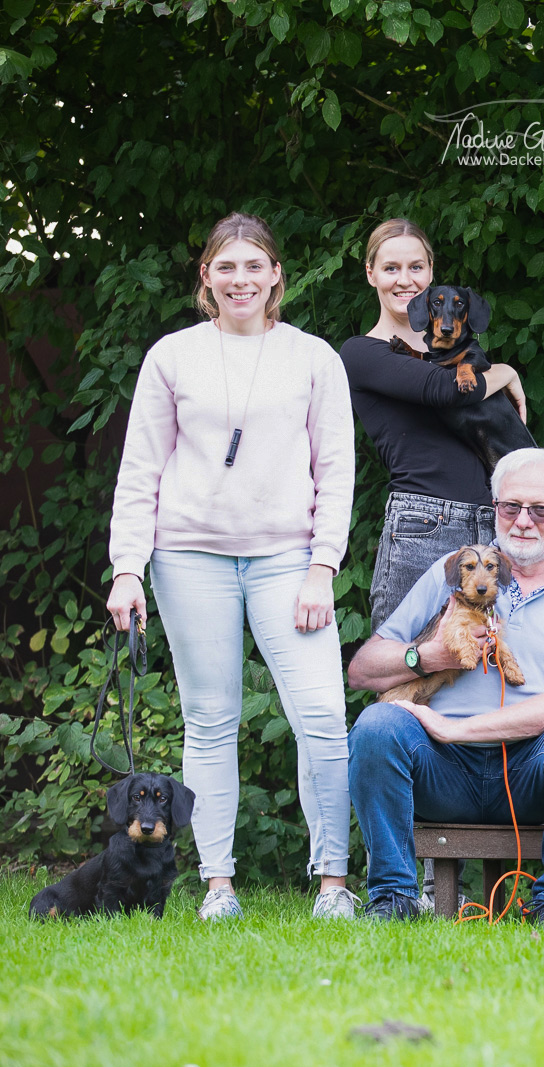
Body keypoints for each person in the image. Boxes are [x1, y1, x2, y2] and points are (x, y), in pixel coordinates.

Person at [106, 213, 357, 922]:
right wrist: (129, 567)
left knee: (320, 717)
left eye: (254, 266)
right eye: (226, 267)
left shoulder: (313, 358)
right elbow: (141, 468)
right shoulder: (172, 356)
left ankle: (332, 881)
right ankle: (218, 884)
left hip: (289, 559)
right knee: (210, 719)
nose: (240, 279)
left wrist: (322, 566)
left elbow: (336, 470)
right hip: (190, 557)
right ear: (206, 278)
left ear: (277, 275)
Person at [346, 448, 544, 925]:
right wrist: (426, 656)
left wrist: (456, 729)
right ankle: (393, 898)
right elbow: (364, 669)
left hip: (530, 769)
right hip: (441, 769)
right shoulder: (449, 574)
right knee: (376, 725)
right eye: (510, 508)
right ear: (494, 510)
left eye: (540, 510)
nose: (523, 523)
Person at [339, 218, 527, 631]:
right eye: (391, 268)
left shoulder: (452, 353)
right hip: (424, 525)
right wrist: (507, 372)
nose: (404, 280)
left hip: (493, 528)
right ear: (370, 273)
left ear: (431, 275)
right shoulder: (361, 353)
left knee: (485, 673)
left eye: (416, 267)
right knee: (403, 663)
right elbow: (445, 391)